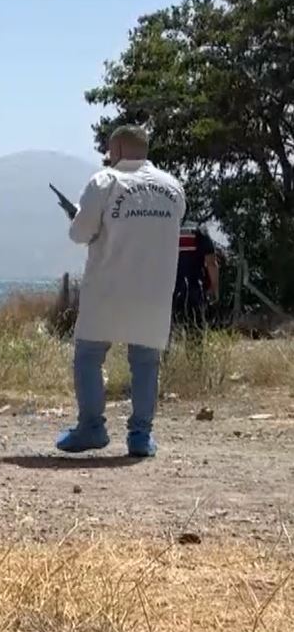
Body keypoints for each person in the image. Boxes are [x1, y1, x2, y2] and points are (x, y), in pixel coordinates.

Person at [59, 125, 185, 458]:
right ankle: (140, 437)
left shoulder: (105, 181)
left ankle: (92, 427)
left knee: (89, 356)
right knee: (145, 362)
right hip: (154, 290)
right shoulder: (173, 187)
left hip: (109, 287)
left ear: (115, 149)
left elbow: (80, 233)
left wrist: (79, 216)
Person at [172, 225, 221, 328]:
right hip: (195, 289)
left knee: (172, 330)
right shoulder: (200, 233)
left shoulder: (168, 230)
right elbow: (211, 263)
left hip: (170, 291)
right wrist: (214, 289)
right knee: (195, 330)